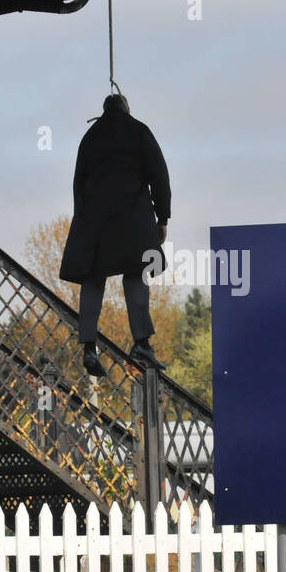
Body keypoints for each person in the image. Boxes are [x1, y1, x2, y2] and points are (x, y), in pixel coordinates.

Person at [60, 91, 171, 376]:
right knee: (135, 277)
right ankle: (142, 343)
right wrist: (163, 216)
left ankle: (88, 347)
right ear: (127, 109)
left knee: (93, 280)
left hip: (96, 221)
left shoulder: (90, 138)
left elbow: (78, 183)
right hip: (132, 219)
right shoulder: (138, 131)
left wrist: (82, 221)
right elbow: (159, 173)